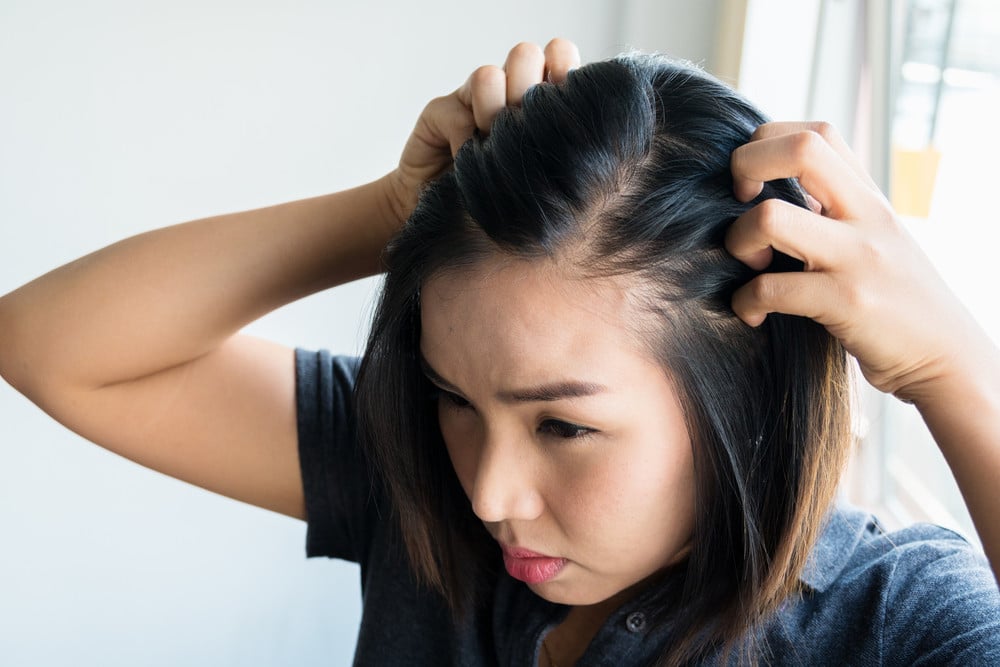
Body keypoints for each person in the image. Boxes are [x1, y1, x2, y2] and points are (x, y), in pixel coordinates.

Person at [0, 38, 998, 665]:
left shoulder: (891, 618)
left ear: (743, 398)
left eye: (564, 422)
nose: (488, 491)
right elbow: (52, 346)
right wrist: (395, 214)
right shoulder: (424, 484)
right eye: (453, 396)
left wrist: (955, 371)